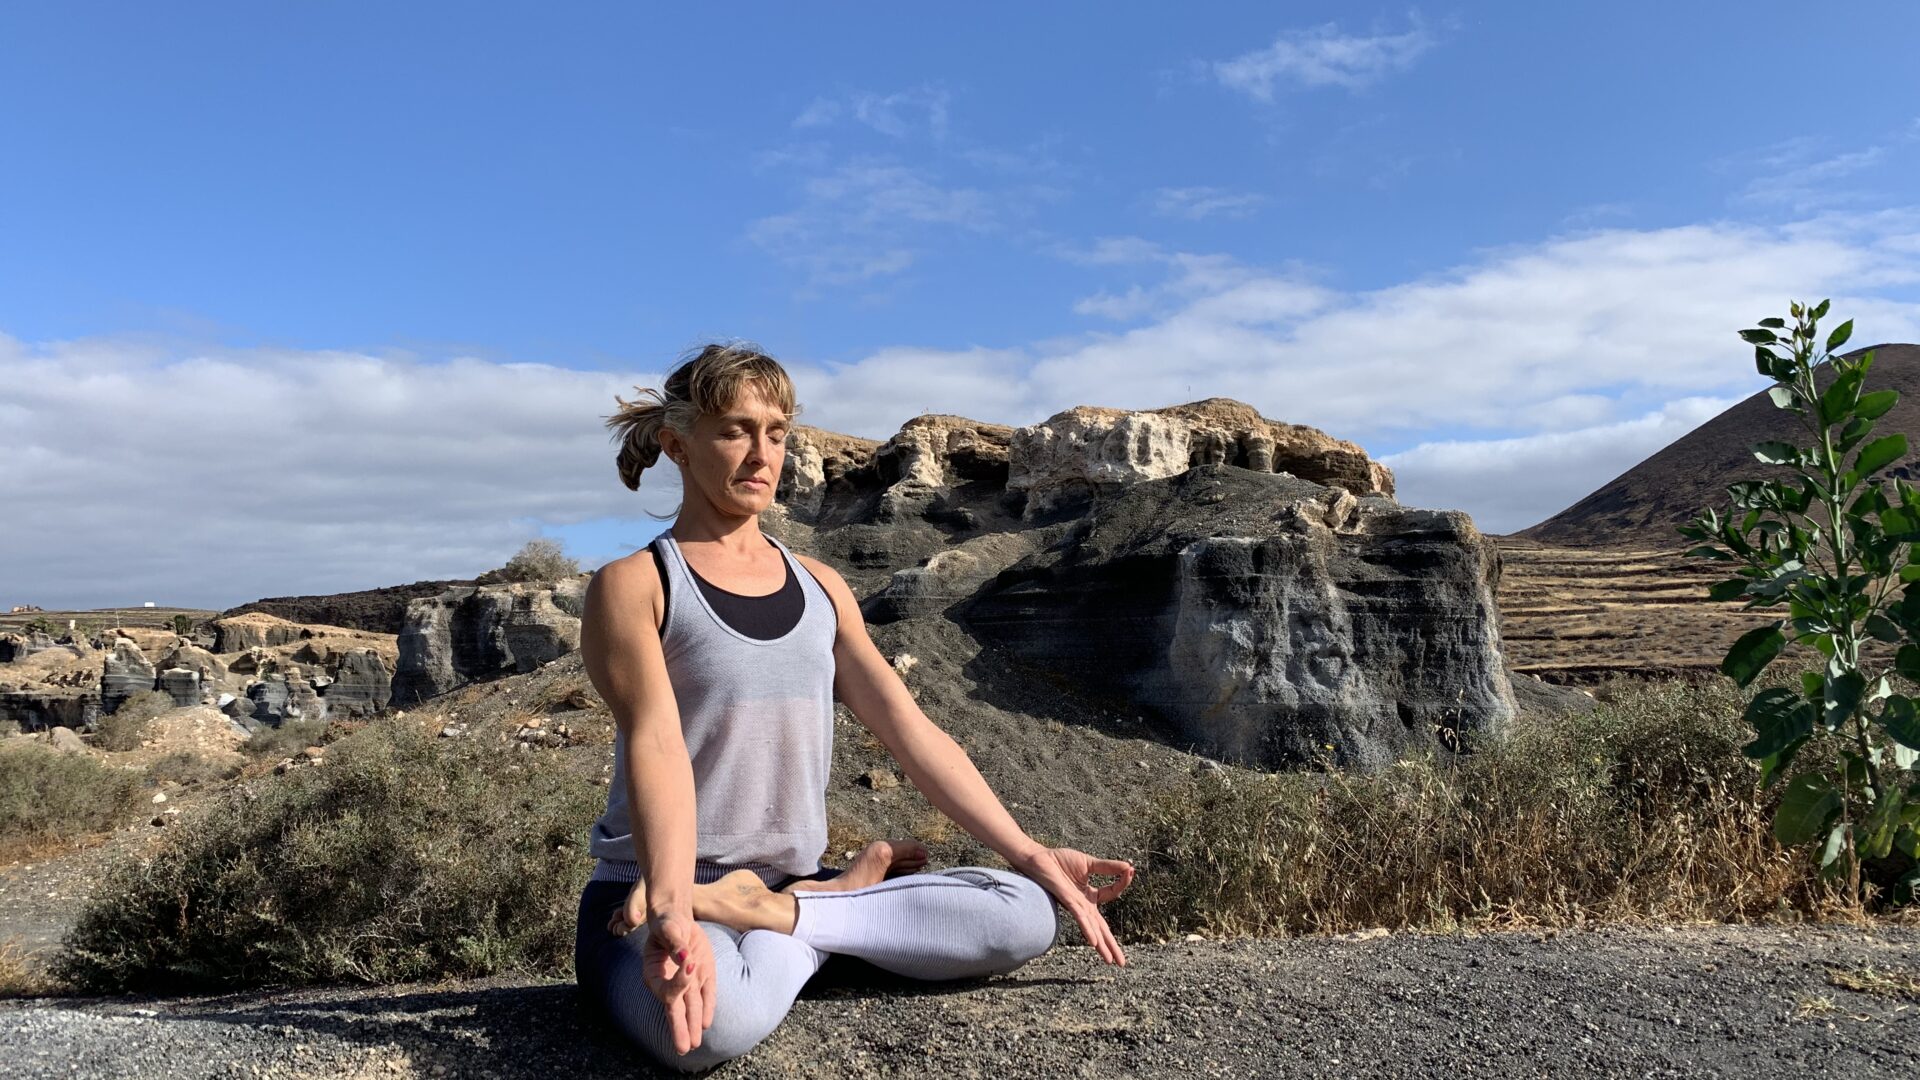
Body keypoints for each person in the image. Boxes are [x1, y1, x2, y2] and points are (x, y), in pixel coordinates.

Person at [575, 343, 1136, 1071]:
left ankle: (781, 914)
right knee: (707, 1034)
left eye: (776, 433)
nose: (761, 454)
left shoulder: (821, 587)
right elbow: (656, 745)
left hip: (784, 887)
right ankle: (822, 923)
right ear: (677, 444)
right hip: (647, 893)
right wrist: (675, 904)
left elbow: (909, 729)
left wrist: (1029, 852)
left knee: (1025, 913)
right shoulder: (638, 584)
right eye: (735, 431)